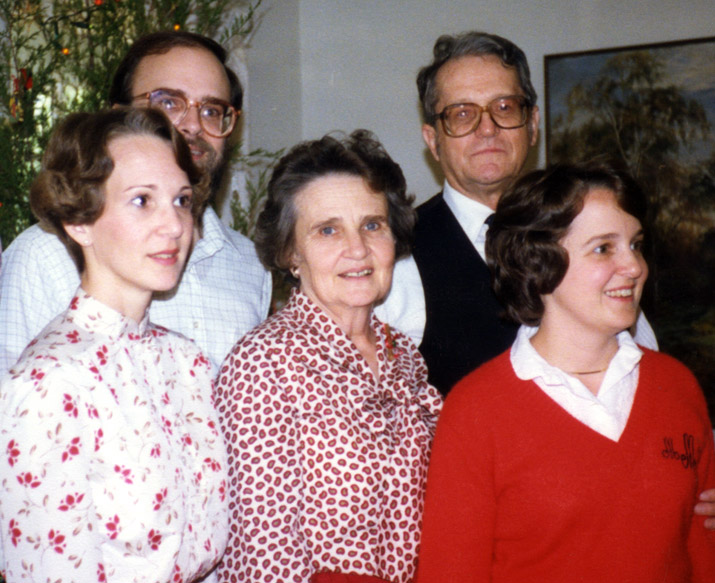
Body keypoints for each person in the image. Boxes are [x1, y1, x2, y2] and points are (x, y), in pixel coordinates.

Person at [416, 163, 715, 583]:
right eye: (603, 248)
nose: (634, 266)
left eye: (636, 244)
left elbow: (704, 555)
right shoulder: (475, 412)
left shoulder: (677, 386)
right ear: (539, 265)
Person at [0, 108, 228, 581]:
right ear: (78, 221)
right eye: (142, 200)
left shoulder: (187, 362)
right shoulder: (47, 385)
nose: (174, 226)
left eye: (181, 200)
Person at [214, 131, 443, 583]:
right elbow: (264, 562)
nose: (357, 248)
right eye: (328, 229)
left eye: (373, 225)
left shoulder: (404, 359)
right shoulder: (263, 367)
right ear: (289, 252)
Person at [375, 31, 657, 395]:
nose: (487, 128)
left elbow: (643, 368)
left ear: (533, 124)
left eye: (505, 107)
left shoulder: (591, 237)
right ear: (433, 140)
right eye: (462, 114)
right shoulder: (396, 256)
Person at [0, 30, 271, 374]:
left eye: (212, 110)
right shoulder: (44, 255)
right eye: (169, 102)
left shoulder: (248, 265)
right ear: (119, 116)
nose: (192, 125)